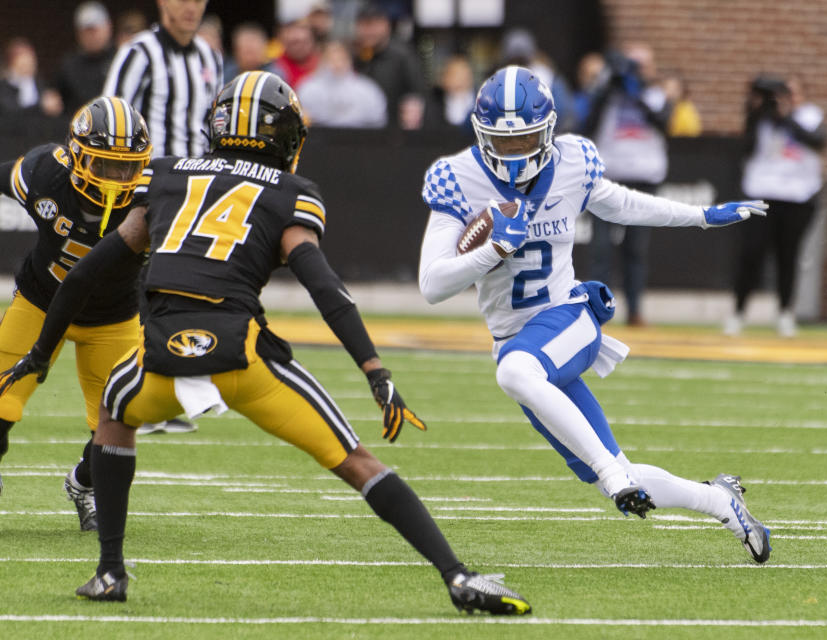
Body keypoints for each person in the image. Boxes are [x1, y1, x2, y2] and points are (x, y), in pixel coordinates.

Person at [0, 71, 532, 615]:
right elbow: (325, 288)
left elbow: (85, 274)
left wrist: (39, 357)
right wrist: (375, 371)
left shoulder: (164, 176)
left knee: (115, 414)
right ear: (287, 138)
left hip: (157, 355)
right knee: (355, 461)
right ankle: (457, 575)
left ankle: (110, 572)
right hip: (242, 356)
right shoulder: (289, 193)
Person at [418, 65, 771, 564]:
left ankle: (612, 473)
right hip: (517, 340)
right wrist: (490, 250)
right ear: (482, 133)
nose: (516, 153)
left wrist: (701, 217)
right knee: (611, 464)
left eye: (526, 140)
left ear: (549, 130)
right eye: (504, 141)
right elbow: (432, 285)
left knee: (518, 376)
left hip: (570, 317)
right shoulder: (458, 178)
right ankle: (721, 502)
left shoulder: (572, 163)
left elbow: (623, 205)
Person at [0, 96, 152, 531]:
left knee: (118, 419)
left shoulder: (154, 195)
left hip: (113, 314)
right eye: (105, 164)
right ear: (78, 156)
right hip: (41, 299)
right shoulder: (44, 173)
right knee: (1, 395)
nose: (119, 178)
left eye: (128, 167)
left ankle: (84, 484)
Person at [724, 74, 827, 338]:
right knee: (751, 254)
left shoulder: (809, 115)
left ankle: (784, 312)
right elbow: (746, 147)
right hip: (761, 193)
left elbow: (817, 141)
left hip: (798, 195)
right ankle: (738, 311)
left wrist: (786, 117)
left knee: (788, 256)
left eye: (791, 94)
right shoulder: (761, 117)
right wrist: (758, 110)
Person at [583, 44, 672, 327]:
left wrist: (637, 93)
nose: (635, 72)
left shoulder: (657, 96)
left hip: (643, 178)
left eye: (641, 66)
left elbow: (663, 123)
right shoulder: (607, 94)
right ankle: (597, 308)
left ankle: (634, 310)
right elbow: (588, 124)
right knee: (601, 248)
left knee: (636, 249)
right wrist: (608, 86)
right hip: (607, 177)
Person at [103, 0, 222, 158]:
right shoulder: (140, 52)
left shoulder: (210, 57)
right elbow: (110, 117)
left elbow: (216, 123)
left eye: (198, 1)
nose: (192, 8)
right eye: (183, 1)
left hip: (198, 175)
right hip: (153, 174)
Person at [351, 3, 426, 129]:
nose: (368, 32)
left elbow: (419, 95)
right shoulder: (354, 56)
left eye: (373, 25)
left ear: (386, 25)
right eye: (364, 25)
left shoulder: (403, 56)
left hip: (395, 133)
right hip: (361, 130)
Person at [297, 40, 387, 128]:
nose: (336, 64)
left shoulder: (367, 89)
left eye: (341, 59)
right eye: (330, 59)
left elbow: (377, 119)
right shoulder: (307, 88)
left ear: (349, 60)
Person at [54, 2, 116, 114]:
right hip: (81, 126)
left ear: (108, 27)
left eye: (94, 30)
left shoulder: (119, 59)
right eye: (86, 31)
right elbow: (56, 97)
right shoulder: (69, 65)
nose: (91, 36)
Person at [0, 38, 62, 118]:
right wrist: (41, 106)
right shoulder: (4, 88)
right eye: (23, 64)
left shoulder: (40, 84)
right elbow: (10, 111)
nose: (28, 66)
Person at [267, 18, 321, 90]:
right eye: (294, 43)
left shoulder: (323, 65)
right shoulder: (274, 70)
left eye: (304, 42)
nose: (299, 47)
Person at [662, 73, 702, 137]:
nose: (669, 92)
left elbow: (691, 132)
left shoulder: (686, 110)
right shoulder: (666, 108)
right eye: (666, 88)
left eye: (673, 88)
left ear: (680, 90)